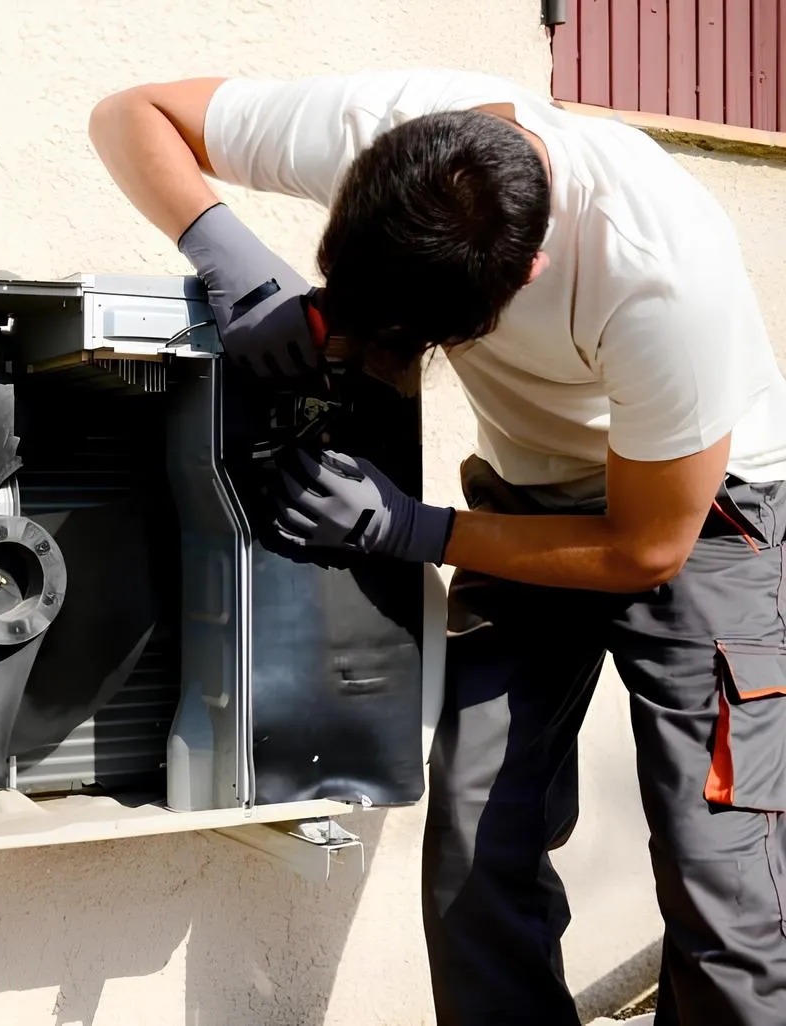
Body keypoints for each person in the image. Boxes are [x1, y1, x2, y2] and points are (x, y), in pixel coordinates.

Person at [88, 68, 786, 1026]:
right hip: (528, 496)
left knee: (722, 885)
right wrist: (230, 254)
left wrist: (418, 531)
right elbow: (133, 114)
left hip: (701, 518)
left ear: (527, 273)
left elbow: (645, 548)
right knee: (474, 844)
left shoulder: (663, 274)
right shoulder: (382, 128)